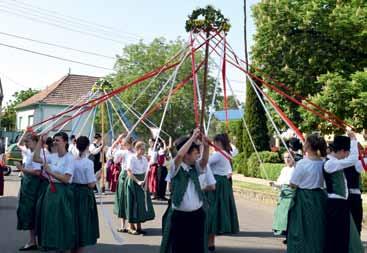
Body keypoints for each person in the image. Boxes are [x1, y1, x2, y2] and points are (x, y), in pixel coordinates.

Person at [160, 128, 209, 253]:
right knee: (180, 247)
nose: (197, 156)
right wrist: (193, 137)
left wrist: (206, 146)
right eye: (194, 153)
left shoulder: (194, 167)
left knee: (196, 248)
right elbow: (180, 155)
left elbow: (204, 162)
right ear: (187, 153)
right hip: (180, 216)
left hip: (197, 214)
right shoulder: (175, 167)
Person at [33, 131, 75, 251]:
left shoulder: (69, 158)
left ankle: (61, 246)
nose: (55, 142)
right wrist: (40, 142)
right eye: (54, 140)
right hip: (51, 190)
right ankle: (49, 244)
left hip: (62, 191)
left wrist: (50, 171)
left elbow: (67, 179)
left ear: (65, 142)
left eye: (58, 140)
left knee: (60, 220)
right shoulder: (52, 156)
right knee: (49, 218)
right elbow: (36, 158)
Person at [287, 134, 327, 253]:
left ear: (308, 146)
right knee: (317, 226)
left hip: (304, 198)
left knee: (301, 227)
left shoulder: (303, 163)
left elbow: (293, 183)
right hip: (320, 197)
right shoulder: (324, 162)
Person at [323, 132, 363, 253]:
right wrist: (354, 140)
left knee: (341, 237)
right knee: (336, 237)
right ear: (341, 150)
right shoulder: (331, 163)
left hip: (340, 204)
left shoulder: (334, 163)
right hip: (335, 204)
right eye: (346, 152)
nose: (346, 156)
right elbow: (353, 159)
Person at [206, 133, 239, 252]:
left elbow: (204, 163)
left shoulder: (218, 154)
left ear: (220, 143)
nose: (213, 145)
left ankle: (209, 241)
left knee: (212, 211)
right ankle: (211, 242)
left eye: (216, 143)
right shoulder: (227, 153)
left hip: (217, 183)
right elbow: (235, 150)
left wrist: (202, 149)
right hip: (223, 183)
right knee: (217, 210)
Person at [71, 136, 99, 253]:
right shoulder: (88, 163)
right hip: (83, 194)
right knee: (82, 221)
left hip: (72, 192)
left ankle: (72, 247)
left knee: (73, 220)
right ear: (88, 147)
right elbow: (91, 184)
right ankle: (79, 250)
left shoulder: (71, 160)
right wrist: (98, 176)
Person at [16, 133, 42, 251]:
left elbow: (37, 172)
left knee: (32, 211)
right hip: (28, 183)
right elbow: (19, 144)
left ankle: (33, 241)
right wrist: (25, 133)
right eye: (27, 142)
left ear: (36, 142)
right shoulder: (30, 151)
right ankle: (33, 240)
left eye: (29, 141)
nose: (26, 144)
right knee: (28, 211)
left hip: (32, 185)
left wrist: (22, 169)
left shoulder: (36, 154)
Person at [125, 141, 155, 235]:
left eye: (144, 149)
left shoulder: (144, 159)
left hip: (142, 181)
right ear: (137, 149)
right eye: (141, 149)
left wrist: (145, 184)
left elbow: (146, 173)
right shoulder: (132, 158)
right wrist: (137, 181)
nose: (143, 151)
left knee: (141, 203)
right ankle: (130, 226)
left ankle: (139, 226)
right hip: (133, 181)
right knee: (132, 203)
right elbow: (129, 172)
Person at [270, 152, 296, 240]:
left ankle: (289, 234)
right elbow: (280, 183)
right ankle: (284, 233)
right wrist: (274, 184)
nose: (287, 159)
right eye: (285, 158)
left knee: (288, 214)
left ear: (293, 158)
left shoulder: (295, 169)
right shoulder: (284, 169)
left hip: (291, 194)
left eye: (289, 157)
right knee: (281, 214)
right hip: (283, 194)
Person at [113, 136, 134, 233]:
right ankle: (123, 225)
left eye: (125, 144)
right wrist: (117, 144)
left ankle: (131, 224)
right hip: (124, 175)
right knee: (122, 199)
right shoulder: (123, 152)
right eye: (123, 144)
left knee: (130, 199)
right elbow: (114, 159)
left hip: (132, 176)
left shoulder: (132, 152)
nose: (124, 145)